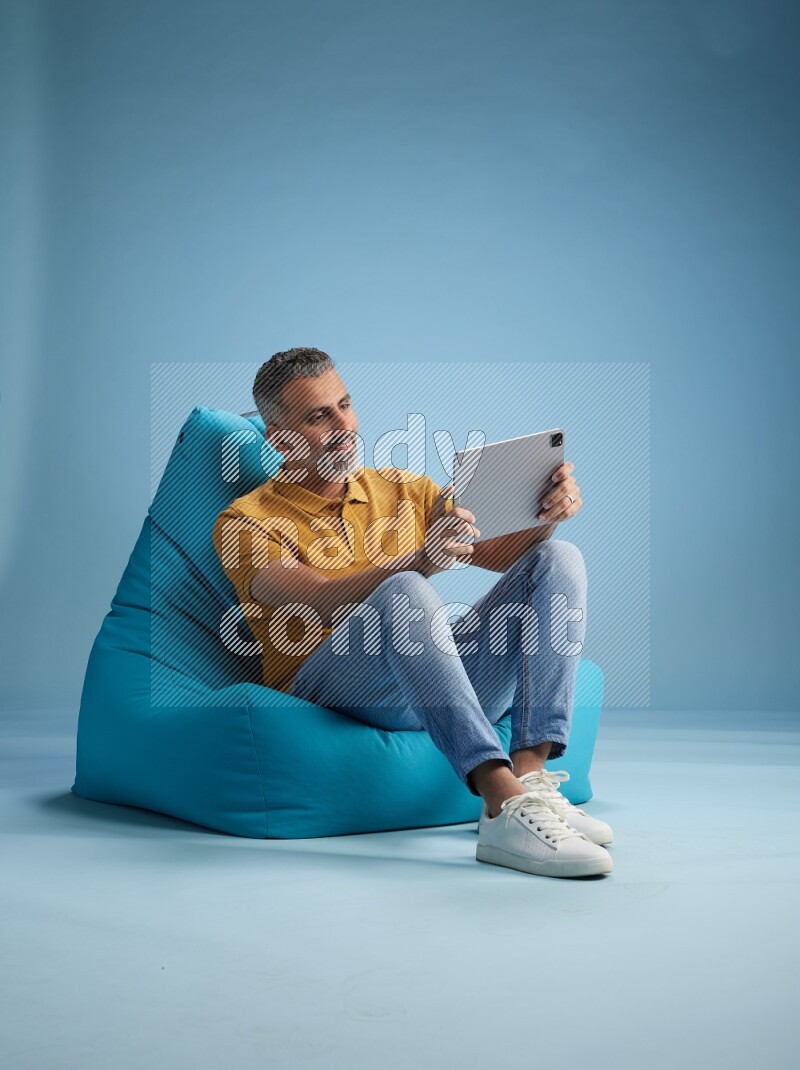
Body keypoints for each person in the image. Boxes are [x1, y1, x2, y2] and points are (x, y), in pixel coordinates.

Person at [212, 347, 613, 879]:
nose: (343, 425)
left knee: (557, 558)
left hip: (427, 676)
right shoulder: (245, 519)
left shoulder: (402, 488)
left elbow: (500, 554)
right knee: (405, 588)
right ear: (278, 436)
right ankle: (500, 805)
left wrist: (546, 516)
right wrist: (420, 560)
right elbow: (310, 593)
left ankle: (532, 782)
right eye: (318, 416)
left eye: (345, 405)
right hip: (334, 689)